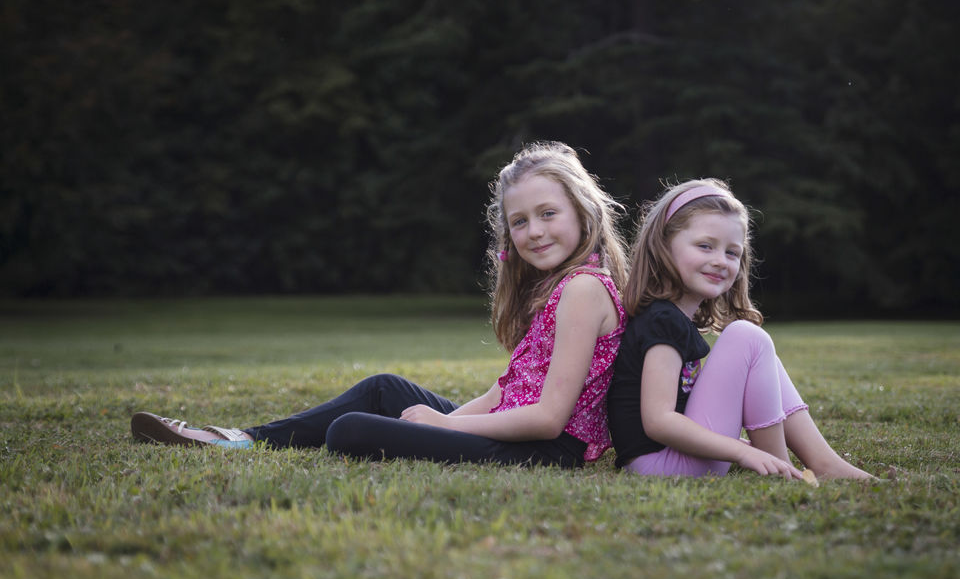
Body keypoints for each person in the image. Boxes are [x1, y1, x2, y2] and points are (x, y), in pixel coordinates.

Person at [131, 142, 628, 468]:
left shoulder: (583, 290)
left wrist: (445, 424)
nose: (534, 231)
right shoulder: (559, 288)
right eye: (519, 221)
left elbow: (547, 418)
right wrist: (449, 422)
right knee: (384, 389)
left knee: (349, 431)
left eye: (547, 214)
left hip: (543, 450)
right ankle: (237, 438)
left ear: (582, 211)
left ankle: (235, 441)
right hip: (520, 432)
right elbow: (507, 392)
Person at [606, 179, 873, 480]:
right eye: (705, 246)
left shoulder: (672, 317)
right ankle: (779, 466)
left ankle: (824, 463)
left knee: (758, 349)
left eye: (732, 253)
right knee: (747, 336)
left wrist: (733, 444)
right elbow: (658, 421)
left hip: (672, 460)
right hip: (662, 465)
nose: (720, 261)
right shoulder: (662, 320)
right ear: (664, 245)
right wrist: (743, 451)